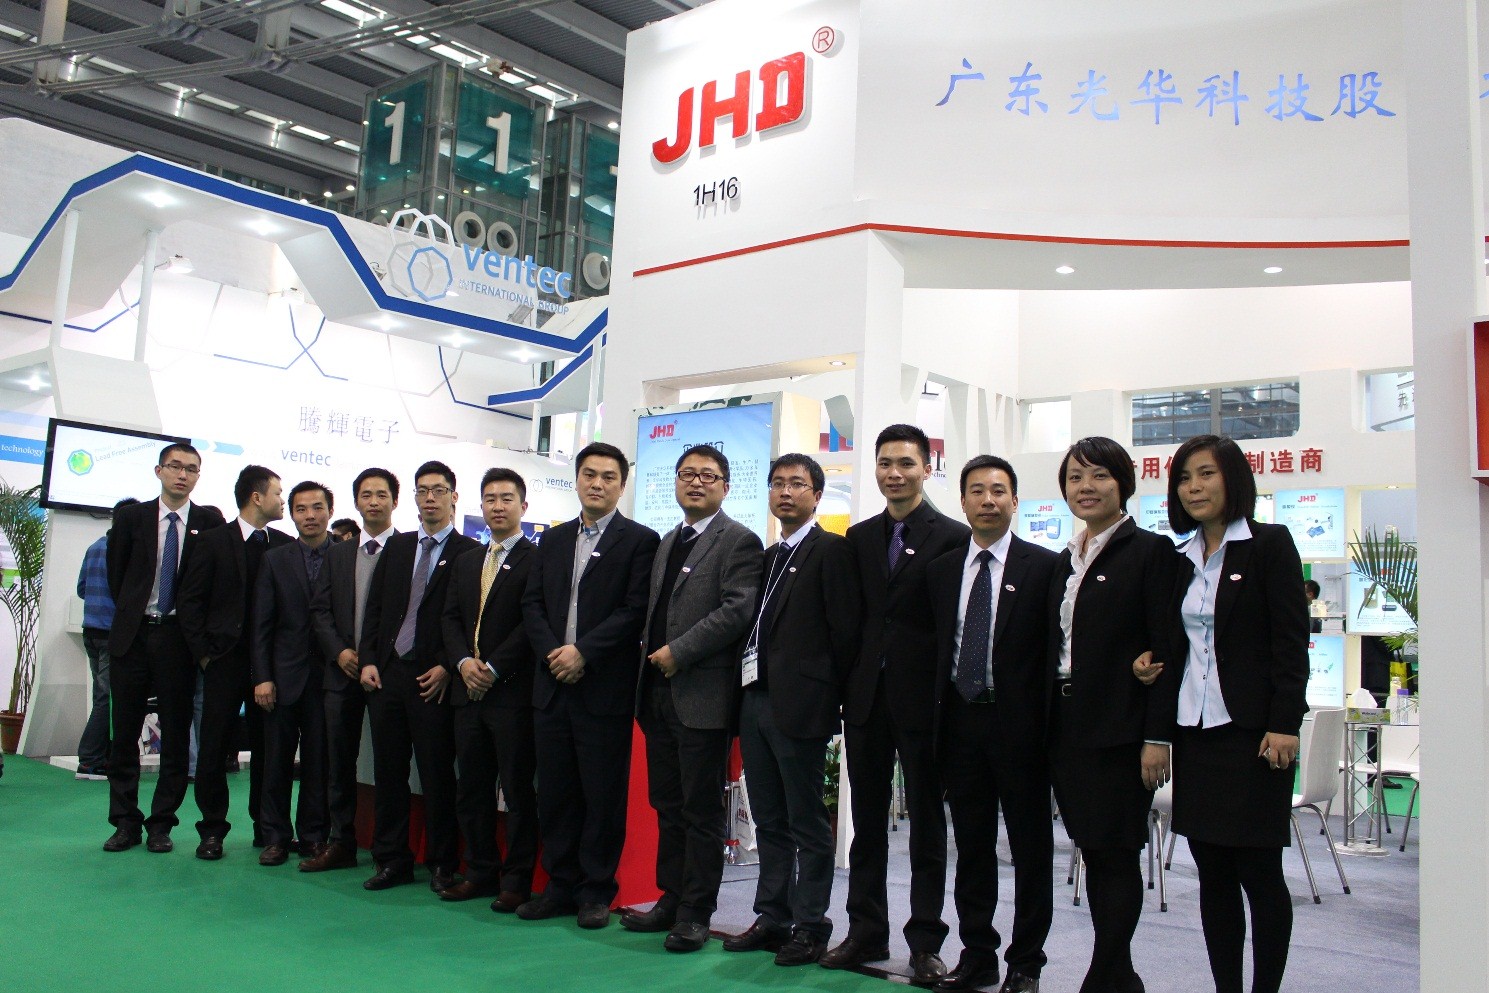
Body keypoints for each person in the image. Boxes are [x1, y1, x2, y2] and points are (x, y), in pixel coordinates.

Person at [1133, 434, 1309, 993]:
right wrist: (1146, 671)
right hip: (1196, 735)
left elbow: (1290, 643)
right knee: (1212, 875)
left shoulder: (1270, 545)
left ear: (1233, 479)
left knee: (1259, 872)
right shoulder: (1176, 558)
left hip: (1254, 736)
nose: (1194, 488)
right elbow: (1169, 645)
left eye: (1206, 474)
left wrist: (1284, 723)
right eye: (1184, 478)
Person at [828, 424, 969, 984]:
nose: (894, 473)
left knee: (928, 826)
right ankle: (865, 931)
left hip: (924, 702)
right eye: (885, 463)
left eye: (906, 463)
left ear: (926, 469)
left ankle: (926, 943)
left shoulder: (954, 537)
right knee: (867, 824)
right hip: (866, 699)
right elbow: (851, 621)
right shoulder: (859, 537)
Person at [1047, 436, 1181, 993]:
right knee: (1094, 851)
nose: (1086, 487)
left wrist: (1157, 737)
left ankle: (1106, 972)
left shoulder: (1151, 552)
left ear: (1123, 483)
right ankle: (1117, 974)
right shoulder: (1065, 559)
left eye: (1099, 476)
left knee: (1117, 851)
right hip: (1068, 727)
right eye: (1075, 477)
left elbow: (1167, 650)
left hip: (1121, 730)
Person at [623, 445, 763, 951]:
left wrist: (678, 652)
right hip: (657, 695)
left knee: (701, 811)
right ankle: (671, 896)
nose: (696, 482)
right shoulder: (668, 541)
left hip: (702, 697)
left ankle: (696, 912)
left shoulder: (739, 541)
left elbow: (736, 611)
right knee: (667, 803)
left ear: (726, 486)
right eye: (687, 474)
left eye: (708, 475)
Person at [926, 456, 1058, 993]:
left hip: (1020, 727)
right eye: (977, 491)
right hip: (961, 724)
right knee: (973, 847)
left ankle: (1026, 963)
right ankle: (977, 953)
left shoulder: (1044, 567)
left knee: (1030, 849)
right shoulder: (941, 571)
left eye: (999, 491)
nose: (988, 500)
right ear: (962, 502)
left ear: (1015, 501)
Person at [723, 453, 860, 966]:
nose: (785, 492)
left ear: (817, 495)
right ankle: (772, 916)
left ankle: (811, 925)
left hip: (802, 707)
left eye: (797, 484)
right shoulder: (767, 556)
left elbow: (845, 634)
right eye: (777, 483)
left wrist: (830, 703)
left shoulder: (832, 552)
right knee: (769, 819)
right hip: (755, 700)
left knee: (806, 822)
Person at [520, 441, 659, 929]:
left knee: (602, 797)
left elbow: (634, 611)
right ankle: (559, 886)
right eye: (589, 474)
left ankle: (596, 891)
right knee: (555, 794)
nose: (597, 484)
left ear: (622, 486)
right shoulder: (553, 540)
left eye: (608, 477)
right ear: (577, 479)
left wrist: (583, 652)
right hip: (552, 684)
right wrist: (554, 654)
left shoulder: (640, 541)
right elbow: (532, 605)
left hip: (603, 689)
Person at [358, 461, 479, 893]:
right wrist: (369, 660)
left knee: (436, 776)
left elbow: (468, 620)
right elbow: (375, 609)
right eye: (422, 490)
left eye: (438, 490)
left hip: (434, 680)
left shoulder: (469, 552)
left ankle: (443, 863)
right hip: (388, 676)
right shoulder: (398, 546)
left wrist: (448, 665)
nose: (430, 498)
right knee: (389, 774)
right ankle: (392, 859)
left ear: (454, 497)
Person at [102, 444, 225, 853]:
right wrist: (136, 612)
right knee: (124, 735)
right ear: (159, 471)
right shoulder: (132, 518)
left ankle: (161, 825)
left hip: (179, 639)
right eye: (175, 466)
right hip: (134, 635)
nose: (182, 475)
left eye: (192, 469)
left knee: (175, 735)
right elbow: (117, 576)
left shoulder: (209, 522)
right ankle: (125, 823)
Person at [177, 465, 291, 860]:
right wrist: (205, 655)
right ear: (257, 497)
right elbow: (190, 600)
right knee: (213, 748)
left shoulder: (284, 544)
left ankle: (267, 828)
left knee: (268, 749)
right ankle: (212, 830)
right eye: (278, 493)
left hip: (270, 667)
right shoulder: (213, 541)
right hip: (223, 662)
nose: (283, 500)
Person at [438, 468, 539, 911]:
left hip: (511, 694)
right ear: (480, 506)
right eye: (490, 499)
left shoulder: (537, 560)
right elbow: (449, 619)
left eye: (506, 498)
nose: (497, 506)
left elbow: (532, 624)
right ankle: (479, 872)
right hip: (467, 693)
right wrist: (463, 663)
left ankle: (515, 881)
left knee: (516, 793)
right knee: (472, 790)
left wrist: (494, 668)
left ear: (523, 506)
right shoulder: (466, 560)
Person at [303, 467, 398, 872]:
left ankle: (388, 852)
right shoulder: (338, 553)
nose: (373, 502)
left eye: (381, 494)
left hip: (388, 676)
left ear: (395, 501)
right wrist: (340, 652)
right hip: (341, 674)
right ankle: (341, 842)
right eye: (366, 495)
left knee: (390, 766)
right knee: (337, 763)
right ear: (356, 502)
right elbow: (320, 611)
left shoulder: (407, 550)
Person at [249, 481, 335, 867]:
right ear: (293, 514)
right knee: (275, 763)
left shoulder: (345, 555)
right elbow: (261, 625)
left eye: (317, 508)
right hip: (282, 679)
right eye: (301, 509)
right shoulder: (275, 559)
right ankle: (275, 837)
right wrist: (262, 676)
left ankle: (314, 836)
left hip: (329, 679)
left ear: (330, 511)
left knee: (319, 762)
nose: (310, 516)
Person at [75, 497, 139, 780]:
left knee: (101, 696)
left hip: (90, 630)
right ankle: (90, 759)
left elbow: (81, 588)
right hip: (113, 634)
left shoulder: (94, 546)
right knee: (106, 699)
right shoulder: (126, 551)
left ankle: (98, 756)